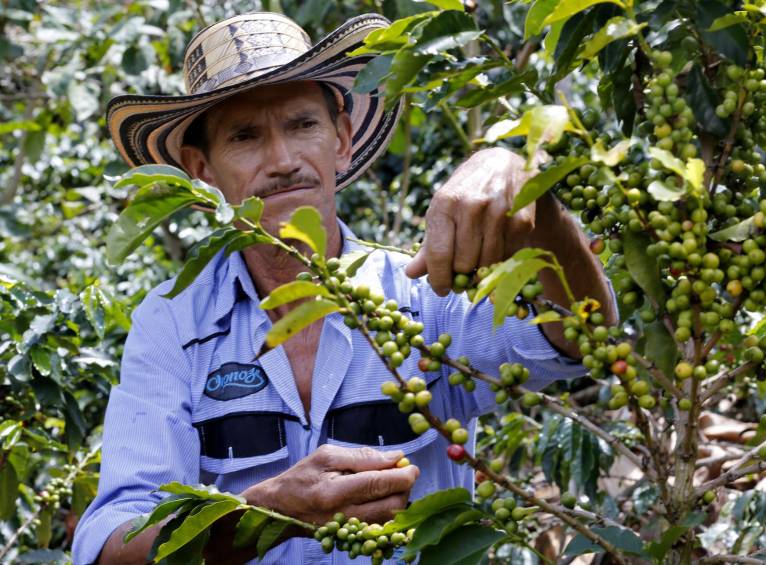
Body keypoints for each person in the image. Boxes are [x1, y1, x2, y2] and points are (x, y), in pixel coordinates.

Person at [72, 11, 616, 565]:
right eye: (245, 136)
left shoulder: (425, 293)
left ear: (343, 140)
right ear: (200, 168)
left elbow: (580, 339)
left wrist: (535, 196)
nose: (283, 161)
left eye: (303, 125)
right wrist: (260, 517)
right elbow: (110, 542)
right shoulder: (173, 324)